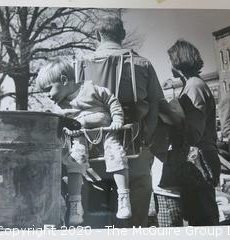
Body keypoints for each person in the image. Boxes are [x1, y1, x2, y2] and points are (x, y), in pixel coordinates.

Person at [81, 16, 165, 227]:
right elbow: (156, 108)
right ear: (123, 36)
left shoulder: (81, 66)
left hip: (93, 157)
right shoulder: (142, 64)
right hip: (134, 151)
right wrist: (147, 140)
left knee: (98, 226)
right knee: (134, 225)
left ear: (97, 35)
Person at [36, 59, 132, 225]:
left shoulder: (91, 89)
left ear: (65, 80)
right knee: (75, 161)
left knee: (116, 154)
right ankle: (75, 204)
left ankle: (124, 197)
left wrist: (117, 119)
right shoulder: (60, 106)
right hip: (81, 135)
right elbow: (59, 123)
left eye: (48, 89)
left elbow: (112, 101)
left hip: (104, 131)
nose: (48, 95)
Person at [167, 39, 221, 226]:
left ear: (178, 60)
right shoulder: (192, 84)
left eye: (171, 59)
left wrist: (170, 120)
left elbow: (194, 133)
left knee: (203, 218)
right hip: (199, 160)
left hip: (200, 161)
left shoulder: (194, 86)